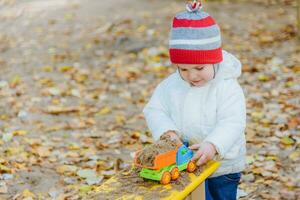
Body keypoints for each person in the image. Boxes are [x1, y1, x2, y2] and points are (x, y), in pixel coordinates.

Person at [143, 1, 246, 199]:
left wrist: (213, 144)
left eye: (199, 68)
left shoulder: (226, 87)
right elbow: (155, 109)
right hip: (183, 163)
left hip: (222, 167)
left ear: (215, 60)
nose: (192, 76)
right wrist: (168, 132)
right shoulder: (171, 85)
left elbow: (232, 121)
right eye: (183, 69)